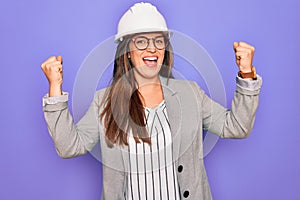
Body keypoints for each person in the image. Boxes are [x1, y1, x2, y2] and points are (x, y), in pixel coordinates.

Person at [41, 2, 262, 200]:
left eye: (158, 41)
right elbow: (69, 146)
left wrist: (246, 74)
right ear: (127, 51)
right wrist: (55, 87)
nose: (152, 48)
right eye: (141, 41)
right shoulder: (105, 101)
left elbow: (237, 126)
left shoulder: (190, 94)